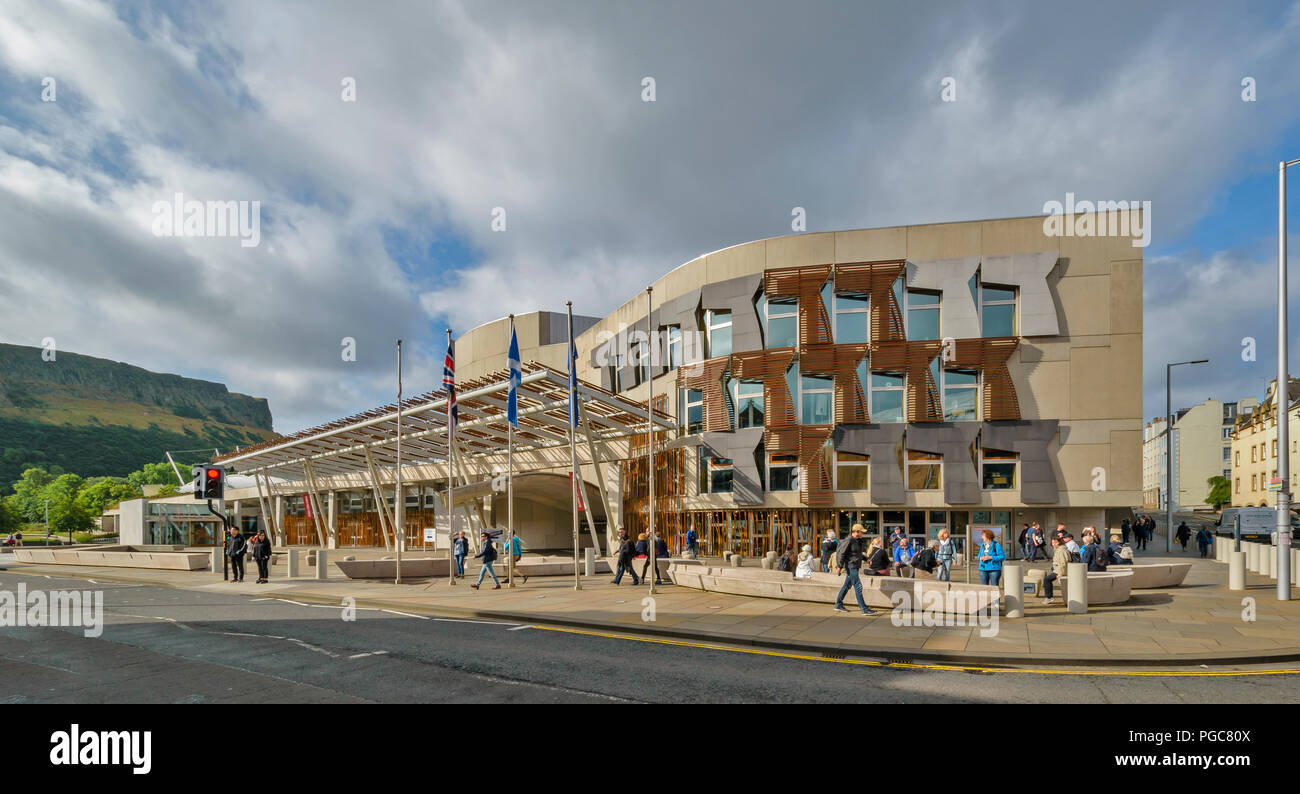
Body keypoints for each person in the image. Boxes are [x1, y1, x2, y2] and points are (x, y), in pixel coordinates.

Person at [833, 524, 876, 615]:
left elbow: (857, 554)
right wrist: (839, 567)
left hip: (854, 565)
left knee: (847, 586)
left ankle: (838, 604)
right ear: (856, 532)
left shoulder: (857, 541)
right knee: (858, 586)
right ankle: (864, 609)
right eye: (862, 532)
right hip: (851, 566)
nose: (863, 534)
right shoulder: (849, 540)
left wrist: (866, 559)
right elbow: (841, 554)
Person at [1041, 535, 1069, 605]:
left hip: (1060, 571)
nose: (1053, 544)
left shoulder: (1061, 551)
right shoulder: (1058, 550)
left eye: (1055, 542)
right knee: (1047, 579)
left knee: (1047, 579)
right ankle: (1049, 597)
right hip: (1057, 570)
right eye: (1052, 543)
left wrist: (1060, 574)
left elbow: (1063, 563)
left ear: (1059, 543)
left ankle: (1049, 597)